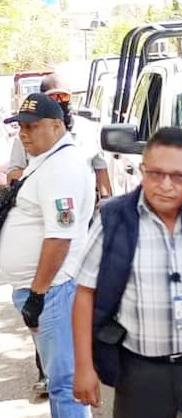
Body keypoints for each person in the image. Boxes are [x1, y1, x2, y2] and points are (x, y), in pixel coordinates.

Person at [71, 127, 182, 418]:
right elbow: (84, 293)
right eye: (156, 174)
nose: (166, 185)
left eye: (178, 176)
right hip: (140, 371)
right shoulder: (115, 219)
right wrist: (83, 367)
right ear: (142, 171)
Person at [0, 93, 95, 417]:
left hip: (54, 291)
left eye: (32, 126)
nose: (23, 134)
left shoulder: (62, 168)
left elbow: (59, 237)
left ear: (56, 125)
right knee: (59, 381)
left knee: (65, 384)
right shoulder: (47, 161)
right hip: (44, 290)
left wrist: (38, 295)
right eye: (21, 127)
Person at [6, 74, 113, 199]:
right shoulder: (26, 134)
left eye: (63, 96)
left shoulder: (87, 129)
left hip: (83, 205)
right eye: (52, 97)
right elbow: (13, 175)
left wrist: (106, 201)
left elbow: (100, 169)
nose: (59, 101)